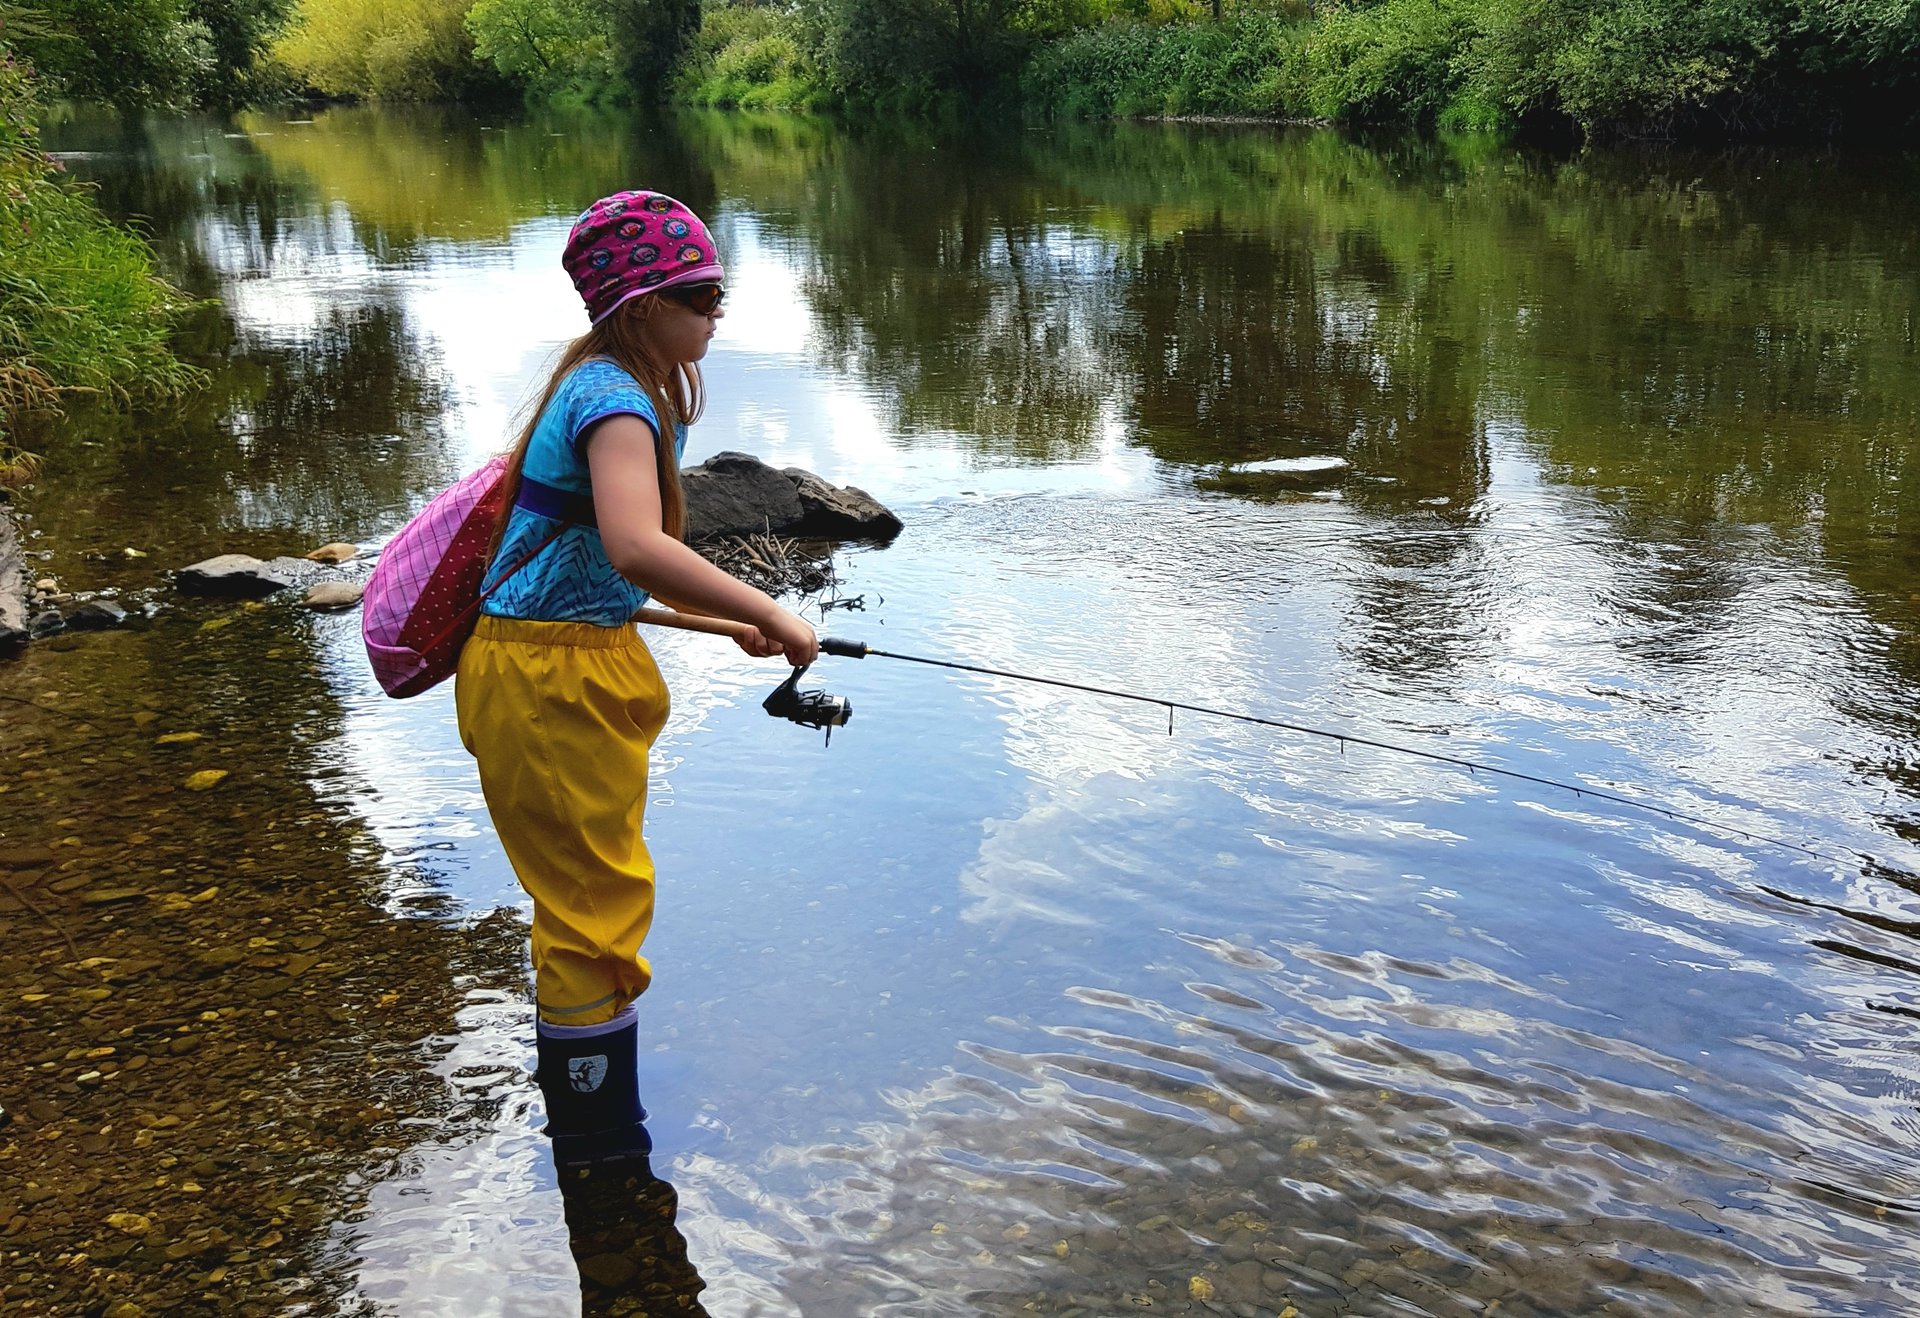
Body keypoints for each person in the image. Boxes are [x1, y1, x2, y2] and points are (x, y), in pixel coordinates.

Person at [456, 190, 817, 1167]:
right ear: (642, 304)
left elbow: (568, 573)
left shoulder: (605, 388)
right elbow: (633, 542)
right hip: (546, 682)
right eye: (701, 293)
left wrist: (701, 620)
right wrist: (765, 607)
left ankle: (592, 1105)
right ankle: (599, 1142)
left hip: (550, 663)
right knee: (590, 910)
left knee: (588, 894)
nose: (718, 310)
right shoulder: (614, 400)